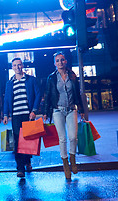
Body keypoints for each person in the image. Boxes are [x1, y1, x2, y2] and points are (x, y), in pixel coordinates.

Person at [43, 52, 85, 180]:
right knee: (62, 138)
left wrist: (82, 109)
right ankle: (65, 164)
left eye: (62, 60)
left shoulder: (72, 75)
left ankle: (72, 159)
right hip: (57, 111)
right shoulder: (51, 78)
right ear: (54, 63)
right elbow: (48, 95)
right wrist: (45, 112)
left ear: (65, 61)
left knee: (73, 137)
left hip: (72, 109)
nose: (60, 62)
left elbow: (77, 93)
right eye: (57, 61)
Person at [3, 58, 41, 178]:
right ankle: (20, 168)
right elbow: (6, 100)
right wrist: (5, 114)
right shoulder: (10, 83)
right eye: (15, 65)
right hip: (15, 115)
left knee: (28, 140)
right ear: (12, 67)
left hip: (28, 114)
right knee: (17, 141)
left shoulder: (31, 80)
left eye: (19, 65)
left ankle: (28, 161)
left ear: (22, 66)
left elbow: (38, 94)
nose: (17, 67)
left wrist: (34, 110)